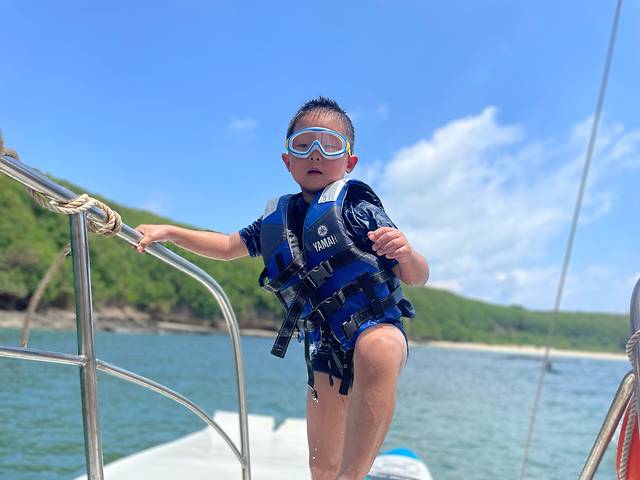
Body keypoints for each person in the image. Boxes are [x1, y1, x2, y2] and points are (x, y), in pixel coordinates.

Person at [135, 97, 429, 480]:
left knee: (379, 350)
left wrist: (406, 253)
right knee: (322, 466)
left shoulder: (360, 211)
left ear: (349, 162)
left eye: (330, 145)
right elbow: (226, 246)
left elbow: (416, 276)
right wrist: (171, 233)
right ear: (287, 160)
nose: (316, 153)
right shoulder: (275, 222)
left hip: (374, 327)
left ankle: (353, 476)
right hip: (325, 346)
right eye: (303, 145)